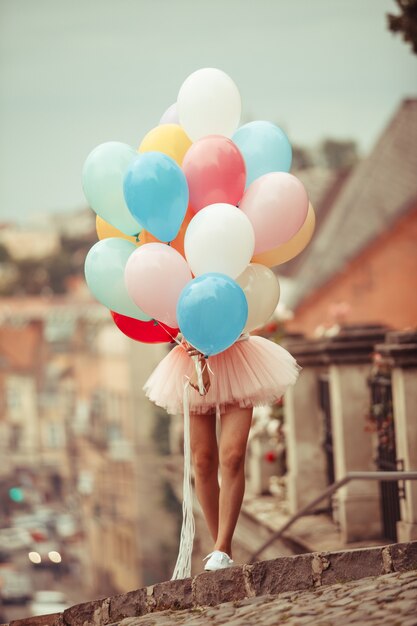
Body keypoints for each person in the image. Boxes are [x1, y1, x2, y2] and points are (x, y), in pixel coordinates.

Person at [144, 332, 300, 573]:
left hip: (235, 353)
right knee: (203, 460)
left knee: (233, 456)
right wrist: (193, 349)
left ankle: (222, 547)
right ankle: (220, 549)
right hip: (191, 358)